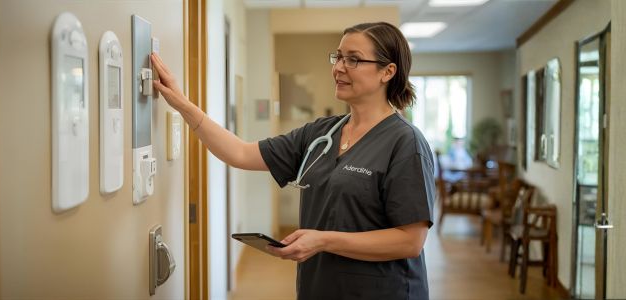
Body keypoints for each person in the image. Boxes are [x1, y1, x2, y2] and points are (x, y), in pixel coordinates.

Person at [152, 22, 435, 300]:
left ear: (387, 71)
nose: (338, 68)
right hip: (319, 287)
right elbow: (239, 153)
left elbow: (410, 241)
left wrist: (324, 240)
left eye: (353, 59)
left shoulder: (406, 143)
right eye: (338, 57)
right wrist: (182, 104)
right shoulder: (321, 133)